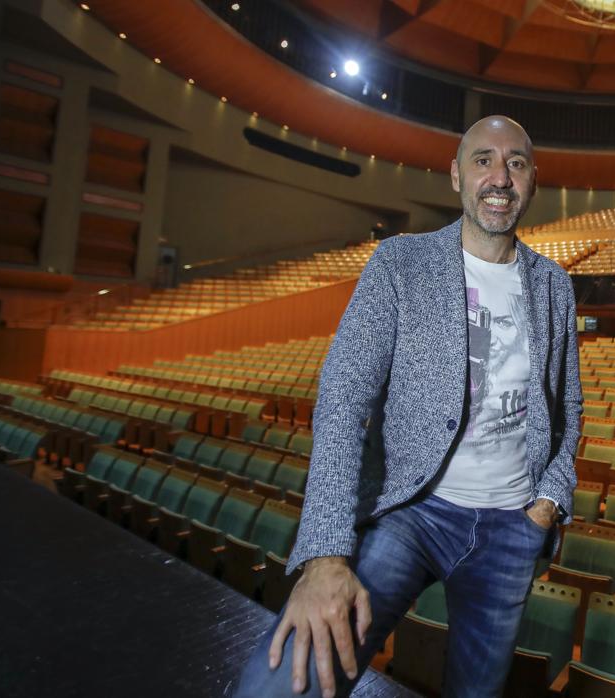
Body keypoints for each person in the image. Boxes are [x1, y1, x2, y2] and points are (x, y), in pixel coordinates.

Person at [231, 115, 581, 698]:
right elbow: (343, 399)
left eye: (516, 162)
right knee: (279, 686)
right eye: (483, 160)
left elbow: (566, 405)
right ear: (455, 176)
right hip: (411, 509)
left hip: (512, 527)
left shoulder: (554, 286)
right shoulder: (400, 263)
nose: (500, 176)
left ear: (533, 181)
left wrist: (548, 502)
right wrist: (325, 553)